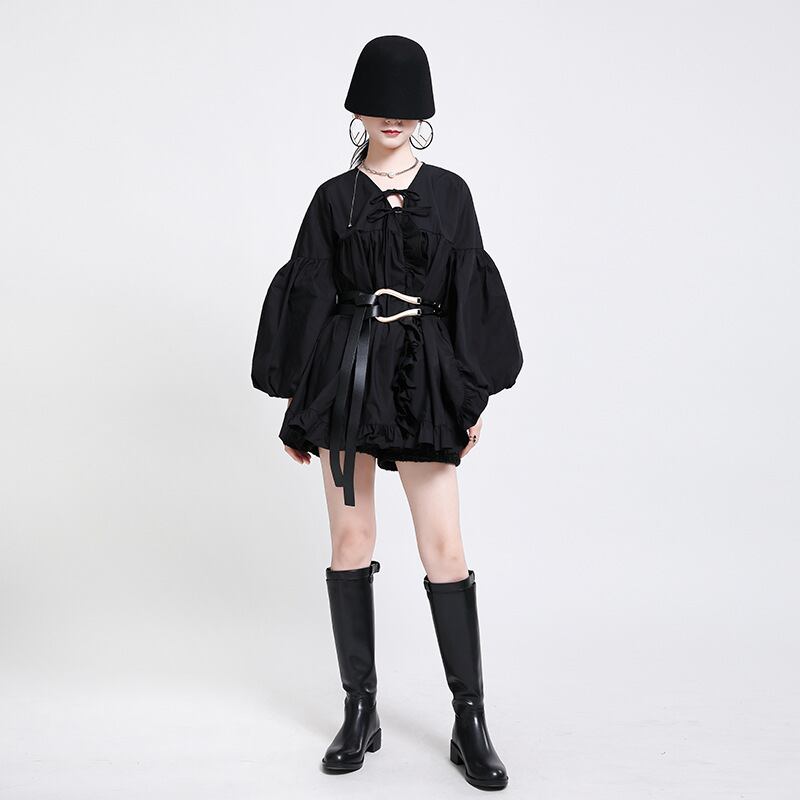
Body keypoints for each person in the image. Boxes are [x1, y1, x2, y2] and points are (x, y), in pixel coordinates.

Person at [251, 35, 523, 789]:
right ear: (358, 109)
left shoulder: (451, 194)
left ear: (423, 113)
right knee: (351, 537)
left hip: (427, 376)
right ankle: (359, 709)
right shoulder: (333, 199)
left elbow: (468, 293)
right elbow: (310, 294)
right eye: (378, 104)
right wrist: (298, 403)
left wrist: (470, 394)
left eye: (405, 106)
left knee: (444, 546)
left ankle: (470, 721)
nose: (392, 118)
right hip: (347, 377)